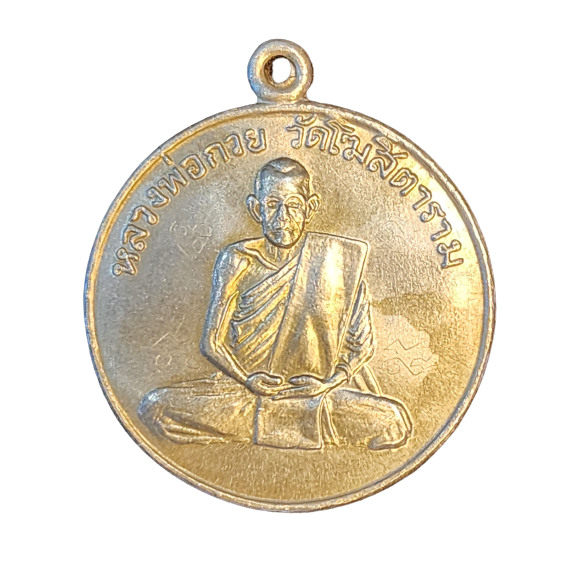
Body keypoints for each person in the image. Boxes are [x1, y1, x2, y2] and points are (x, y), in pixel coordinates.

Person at [139, 158, 412, 450]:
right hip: (244, 393)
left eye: (294, 205)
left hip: (316, 399)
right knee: (155, 406)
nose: (283, 217)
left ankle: (256, 428)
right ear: (256, 209)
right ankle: (259, 426)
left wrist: (328, 383)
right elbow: (211, 343)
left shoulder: (337, 262)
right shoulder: (237, 260)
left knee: (394, 420)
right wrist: (247, 379)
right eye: (272, 205)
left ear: (310, 209)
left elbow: (362, 347)